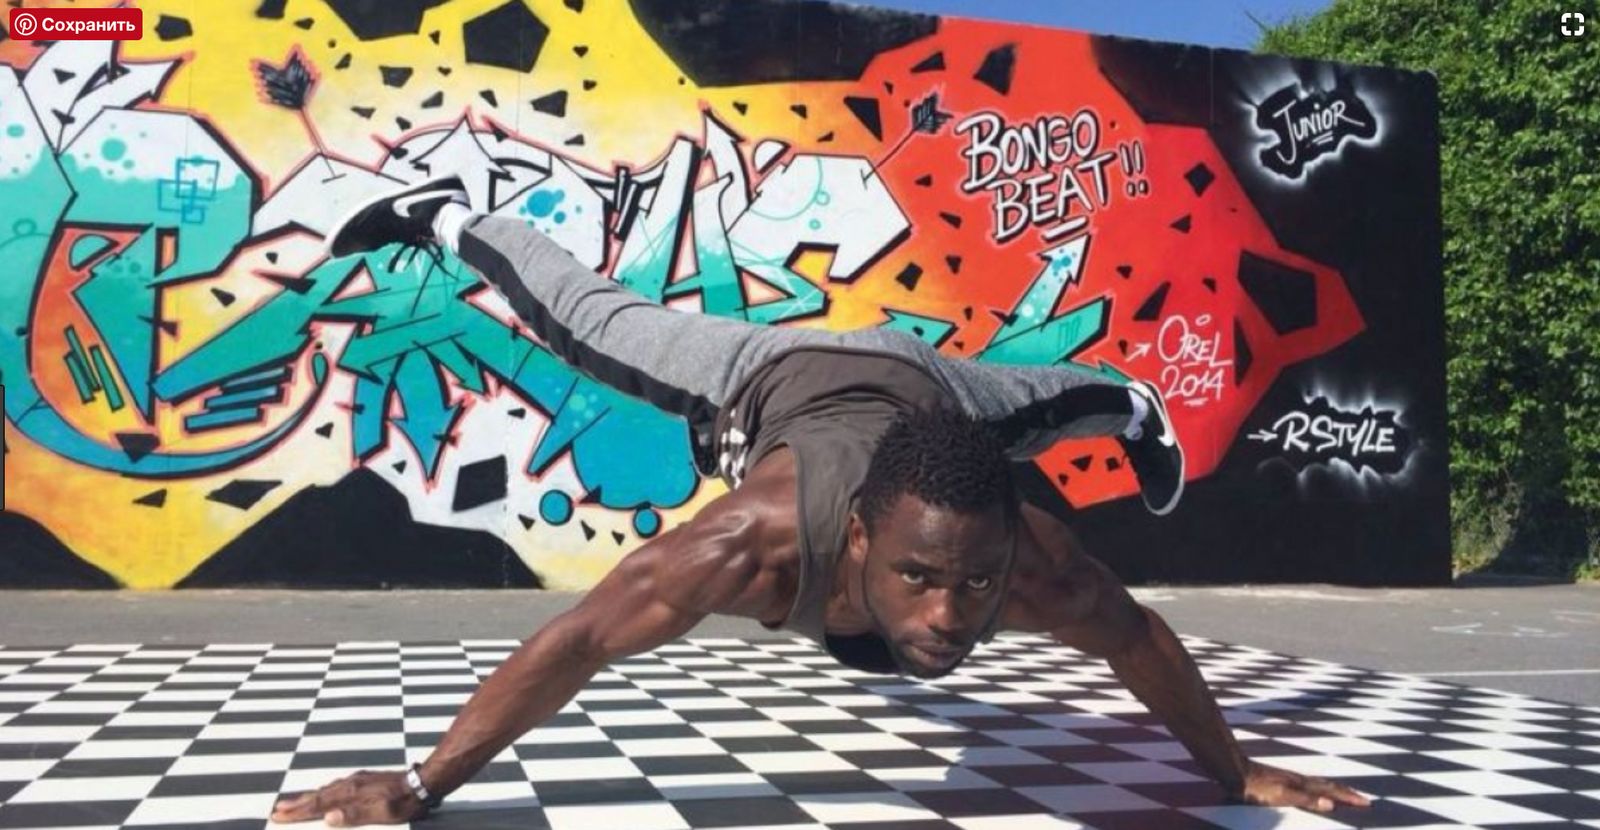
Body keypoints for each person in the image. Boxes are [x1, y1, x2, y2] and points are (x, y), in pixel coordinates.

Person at [269, 177, 1370, 826]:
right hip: (769, 376)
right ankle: (451, 214)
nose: (949, 616)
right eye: (922, 578)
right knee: (583, 321)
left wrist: (1234, 769)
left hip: (939, 390)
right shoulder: (742, 549)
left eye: (973, 585)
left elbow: (1138, 639)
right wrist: (418, 785)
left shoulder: (1030, 557)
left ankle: (1132, 407)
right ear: (856, 538)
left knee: (1060, 397)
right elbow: (578, 641)